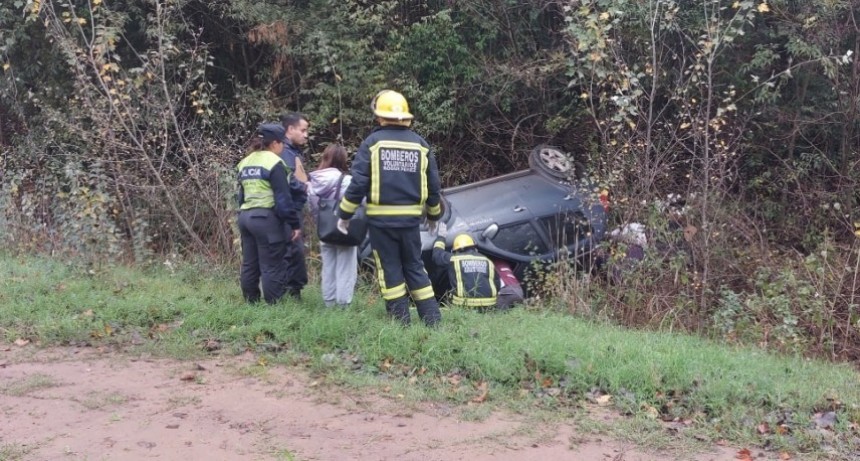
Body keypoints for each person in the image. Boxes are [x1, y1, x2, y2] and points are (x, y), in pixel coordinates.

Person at [336, 89, 443, 326]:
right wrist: (434, 215)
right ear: (406, 116)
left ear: (379, 116)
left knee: (389, 268)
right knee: (415, 266)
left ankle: (401, 321)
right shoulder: (421, 145)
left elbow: (358, 184)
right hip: (410, 222)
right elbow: (433, 186)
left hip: (381, 223)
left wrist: (344, 214)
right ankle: (433, 320)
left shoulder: (372, 143)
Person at [236, 123, 302, 304]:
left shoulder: (245, 162)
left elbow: (240, 195)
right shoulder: (274, 163)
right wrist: (294, 224)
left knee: (250, 263)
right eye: (282, 143)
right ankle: (274, 306)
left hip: (245, 217)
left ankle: (251, 303)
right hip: (265, 218)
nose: (283, 147)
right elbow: (283, 198)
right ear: (275, 143)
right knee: (272, 265)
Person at [308, 144, 358, 308]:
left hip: (324, 229)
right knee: (346, 268)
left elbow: (313, 207)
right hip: (345, 229)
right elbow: (358, 203)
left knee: (328, 267)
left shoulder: (314, 181)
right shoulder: (347, 181)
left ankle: (329, 303)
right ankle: (343, 305)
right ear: (343, 160)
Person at [430, 224, 500, 311]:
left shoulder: (454, 259)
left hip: (464, 305)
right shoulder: (488, 261)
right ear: (474, 248)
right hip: (489, 305)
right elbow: (497, 283)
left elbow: (437, 255)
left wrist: (441, 237)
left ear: (455, 251)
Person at [279, 112, 310, 299]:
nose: (306, 135)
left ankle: (291, 290)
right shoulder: (285, 152)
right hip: (289, 209)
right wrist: (305, 187)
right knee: (293, 250)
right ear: (290, 129)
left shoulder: (292, 151)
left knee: (293, 249)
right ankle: (292, 293)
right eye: (303, 130)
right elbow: (288, 180)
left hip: (292, 208)